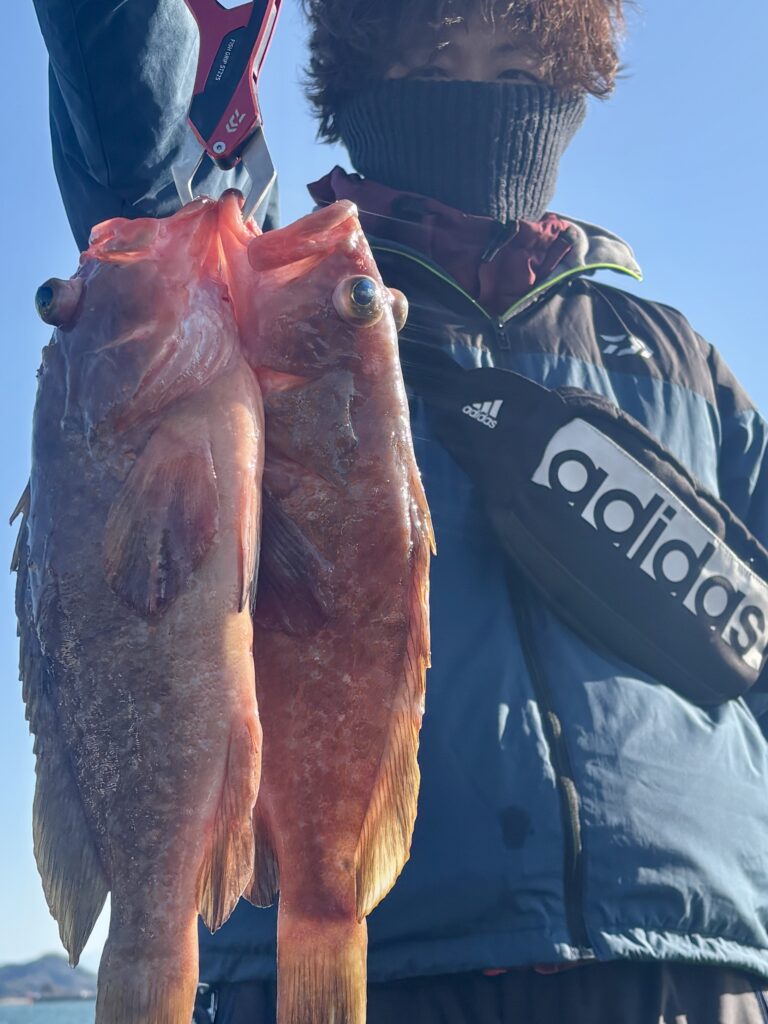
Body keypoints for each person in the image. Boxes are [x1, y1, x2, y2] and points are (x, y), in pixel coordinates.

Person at [31, 1, 768, 1021]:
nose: (474, 96)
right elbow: (141, 149)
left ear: (569, 82)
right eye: (431, 61)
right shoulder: (273, 294)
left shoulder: (685, 362)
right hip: (368, 959)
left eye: (516, 67)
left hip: (699, 961)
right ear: (360, 81)